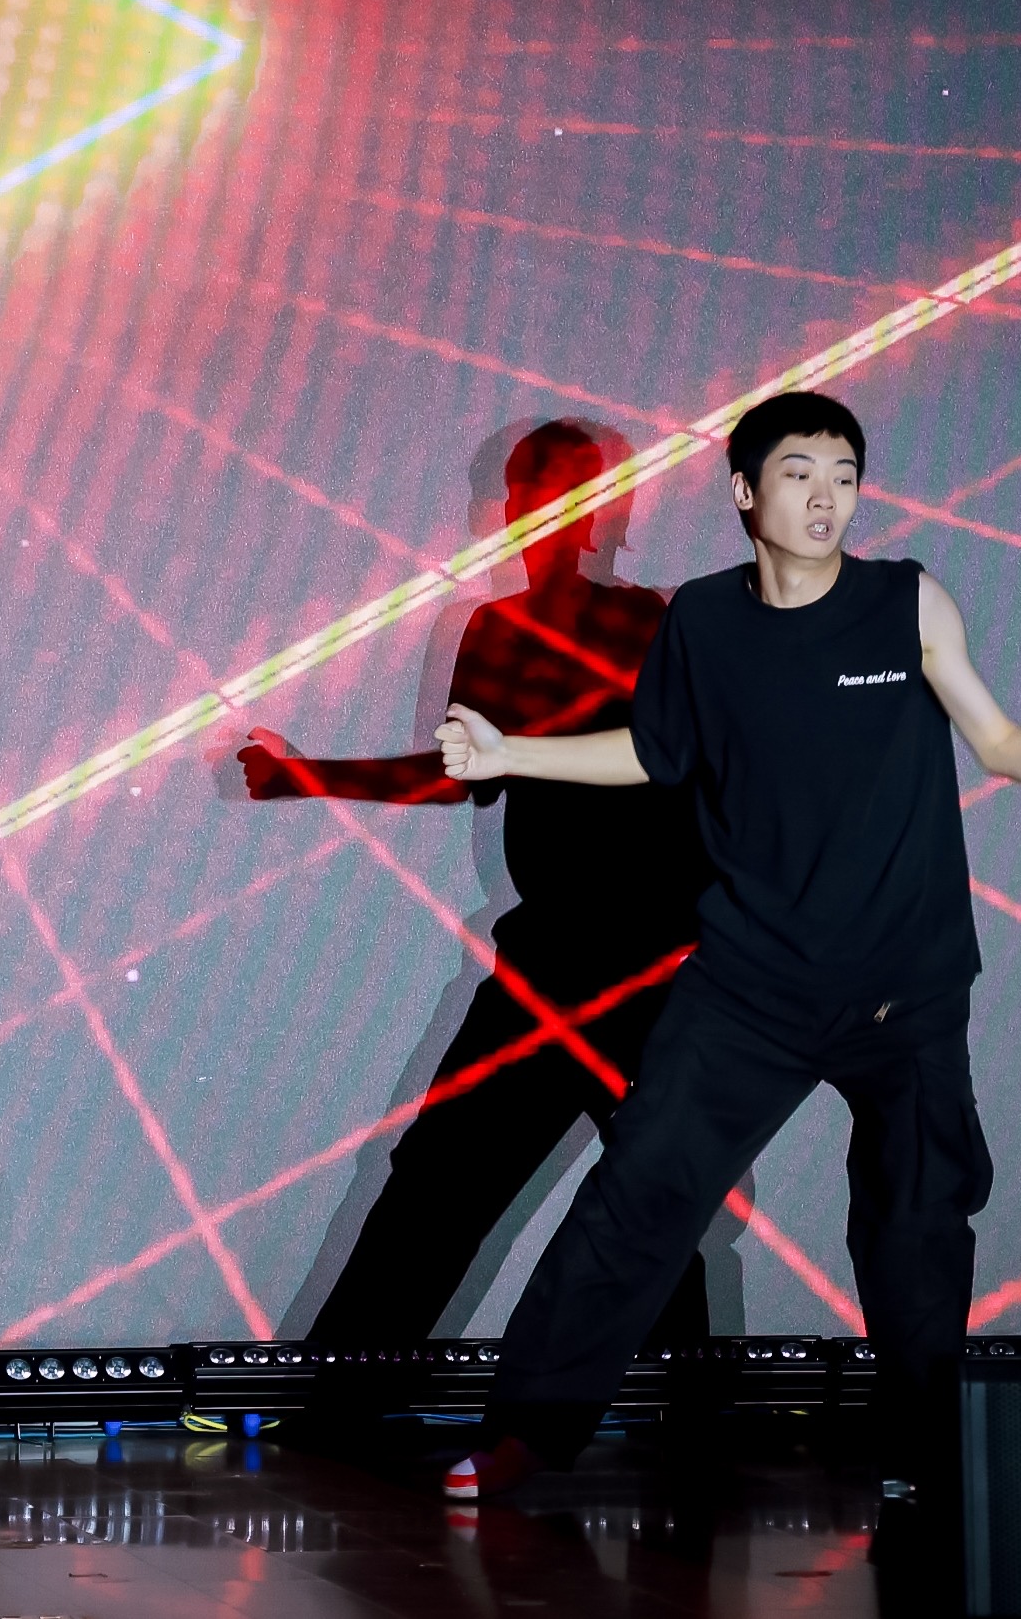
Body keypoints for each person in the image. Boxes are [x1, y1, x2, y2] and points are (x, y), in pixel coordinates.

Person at [432, 393, 1021, 1519]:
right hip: (749, 983)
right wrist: (508, 749)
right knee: (638, 1191)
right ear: (744, 491)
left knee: (914, 1226)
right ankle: (525, 1433)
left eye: (844, 475)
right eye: (798, 472)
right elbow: (654, 752)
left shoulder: (906, 601)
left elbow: (1000, 741)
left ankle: (924, 1456)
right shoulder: (703, 619)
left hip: (904, 986)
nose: (825, 496)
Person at [238, 422, 714, 1350]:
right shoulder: (499, 629)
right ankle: (339, 1397)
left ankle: (693, 1416)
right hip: (561, 955)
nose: (552, 511)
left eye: (574, 492)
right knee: (446, 1183)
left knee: (623, 1199)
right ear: (510, 509)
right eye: (538, 491)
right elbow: (458, 774)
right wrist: (308, 775)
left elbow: (688, 771)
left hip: (647, 960)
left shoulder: (647, 624)